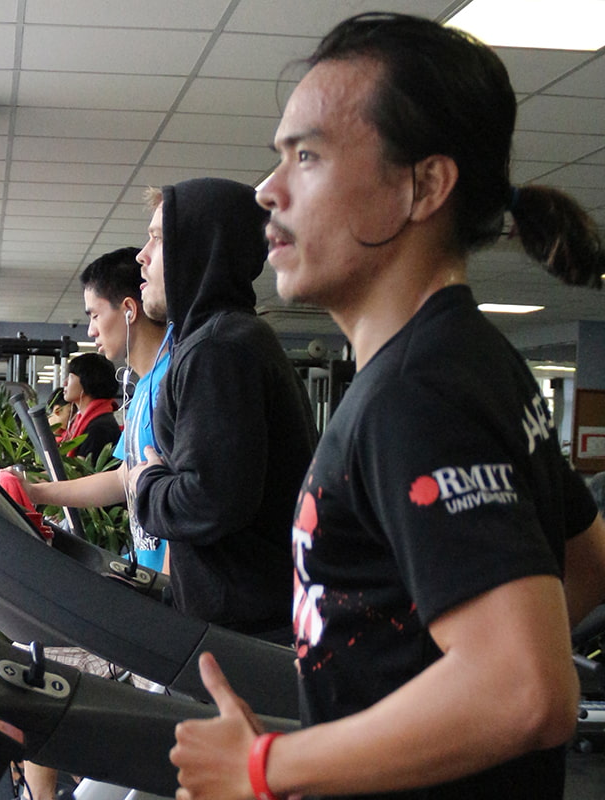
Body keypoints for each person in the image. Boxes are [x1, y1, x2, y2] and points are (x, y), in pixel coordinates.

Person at [169, 13, 605, 800]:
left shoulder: (419, 393)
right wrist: (387, 716)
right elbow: (587, 560)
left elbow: (526, 691)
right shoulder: (466, 361)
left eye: (308, 156)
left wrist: (266, 768)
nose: (269, 190)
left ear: (423, 187)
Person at [127, 177, 317, 639]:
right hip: (244, 620)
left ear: (198, 248)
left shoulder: (217, 350)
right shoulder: (223, 339)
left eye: (157, 238)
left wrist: (145, 484)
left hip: (249, 633)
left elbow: (211, 502)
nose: (142, 255)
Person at [23, 246, 171, 572]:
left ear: (129, 309)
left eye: (94, 314)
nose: (90, 330)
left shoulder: (174, 381)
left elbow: (187, 499)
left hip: (176, 590)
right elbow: (123, 478)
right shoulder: (145, 386)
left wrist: (173, 592)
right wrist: (34, 492)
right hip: (150, 571)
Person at [57, 352, 121, 461]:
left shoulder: (100, 428)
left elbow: (77, 471)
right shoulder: (85, 421)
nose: (65, 383)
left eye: (71, 377)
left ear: (86, 381)